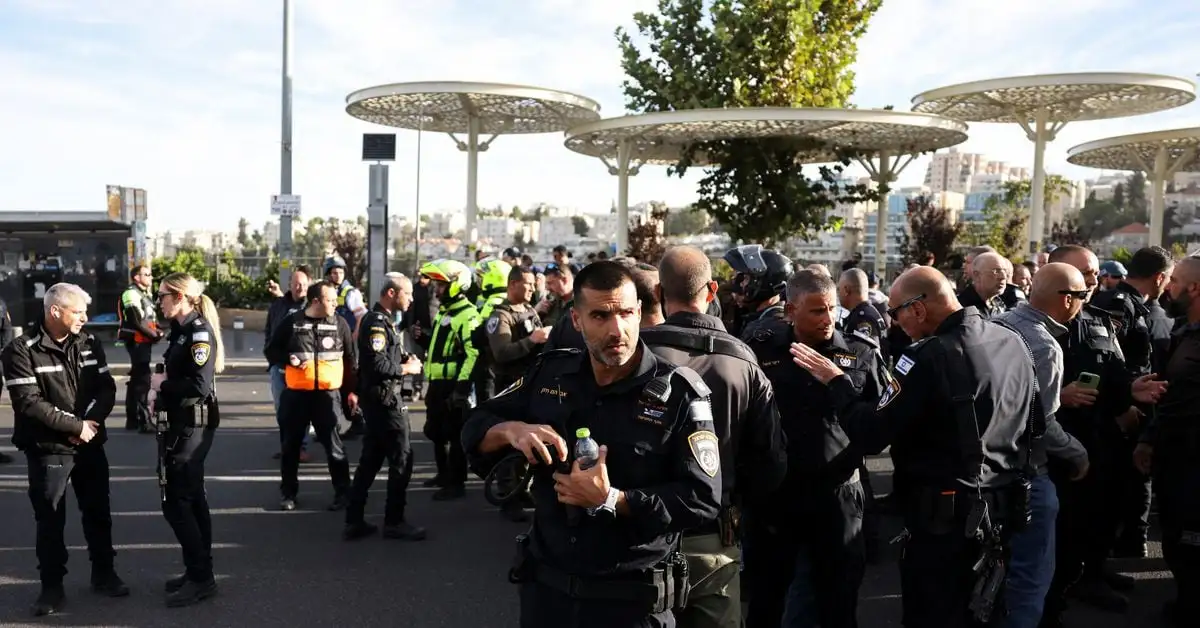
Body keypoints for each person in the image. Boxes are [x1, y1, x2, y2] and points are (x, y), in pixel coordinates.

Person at [462, 261, 721, 628]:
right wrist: (512, 430)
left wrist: (613, 500)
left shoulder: (679, 393)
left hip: (631, 604)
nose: (617, 330)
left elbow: (702, 499)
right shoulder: (550, 373)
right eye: (600, 316)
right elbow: (475, 426)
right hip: (548, 598)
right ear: (576, 320)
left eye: (626, 314)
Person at [789, 267, 1039, 627]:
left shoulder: (926, 357)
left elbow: (872, 434)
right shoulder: (1012, 340)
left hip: (945, 521)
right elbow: (1037, 423)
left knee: (933, 613)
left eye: (895, 313)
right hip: (1005, 508)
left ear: (918, 309)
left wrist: (837, 382)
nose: (893, 322)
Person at [642, 246, 787, 628]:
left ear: (659, 293)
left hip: (642, 533)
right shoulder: (743, 361)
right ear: (712, 290)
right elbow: (771, 461)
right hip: (714, 534)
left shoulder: (636, 356)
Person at [745, 270, 888, 628]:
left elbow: (879, 426)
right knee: (767, 598)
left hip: (836, 496)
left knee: (838, 600)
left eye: (831, 309)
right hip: (779, 496)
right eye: (816, 311)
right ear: (790, 311)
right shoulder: (761, 349)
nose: (826, 319)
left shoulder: (859, 354)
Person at [1042, 245, 1166, 620]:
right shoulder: (1032, 326)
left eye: (1095, 273)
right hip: (1057, 442)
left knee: (1101, 511)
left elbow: (1114, 372)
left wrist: (1131, 389)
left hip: (1102, 435)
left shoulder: (1098, 319)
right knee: (1064, 521)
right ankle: (1062, 586)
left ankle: (1092, 571)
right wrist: (1058, 396)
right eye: (1084, 273)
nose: (1093, 281)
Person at [3, 283, 126, 616]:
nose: (85, 318)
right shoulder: (20, 350)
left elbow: (106, 388)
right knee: (51, 519)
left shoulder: (88, 343)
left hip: (89, 442)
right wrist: (76, 428)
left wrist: (90, 425)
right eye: (78, 311)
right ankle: (52, 587)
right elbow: (29, 403)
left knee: (99, 512)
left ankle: (105, 574)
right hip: (48, 448)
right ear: (55, 311)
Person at [993, 263, 1092, 627]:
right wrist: (1078, 453)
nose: (1085, 301)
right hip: (1027, 475)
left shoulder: (996, 325)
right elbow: (1042, 425)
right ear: (1067, 300)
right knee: (1029, 583)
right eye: (1083, 295)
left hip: (989, 475)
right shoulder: (1044, 345)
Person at [1089, 247, 1175, 557]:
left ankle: (1122, 548)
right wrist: (1121, 407)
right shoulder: (1118, 305)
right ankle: (1102, 560)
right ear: (1159, 277)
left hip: (1139, 406)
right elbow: (1105, 363)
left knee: (1132, 482)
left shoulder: (1143, 307)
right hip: (1119, 412)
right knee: (1112, 488)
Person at [152, 272, 224, 607]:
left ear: (179, 296)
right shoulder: (181, 331)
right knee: (192, 499)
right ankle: (198, 570)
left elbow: (197, 385)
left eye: (163, 295)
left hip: (193, 425)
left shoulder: (198, 332)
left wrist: (162, 386)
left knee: (176, 501)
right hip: (181, 423)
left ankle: (201, 578)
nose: (159, 301)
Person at [1135, 255, 1200, 625]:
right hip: (1173, 460)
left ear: (1193, 287)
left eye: (1174, 281)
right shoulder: (1179, 333)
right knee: (1178, 542)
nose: (1168, 286)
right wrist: (1148, 439)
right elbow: (1166, 394)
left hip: (1196, 465)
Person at [344, 273, 427, 542]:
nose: (411, 298)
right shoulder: (376, 322)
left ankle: (354, 520)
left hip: (379, 400)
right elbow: (375, 364)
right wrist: (407, 368)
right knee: (402, 459)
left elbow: (384, 356)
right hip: (384, 401)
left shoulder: (386, 323)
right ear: (391, 293)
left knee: (370, 460)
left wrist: (403, 356)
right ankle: (394, 521)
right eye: (407, 293)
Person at [266, 280, 358, 512]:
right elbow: (271, 349)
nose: (335, 304)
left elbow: (350, 360)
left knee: (335, 447)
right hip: (296, 396)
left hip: (327, 397)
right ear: (316, 301)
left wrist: (352, 392)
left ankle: (343, 493)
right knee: (291, 448)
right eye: (331, 299)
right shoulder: (293, 322)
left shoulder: (340, 324)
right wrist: (288, 360)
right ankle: (288, 493)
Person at [419, 259, 480, 501]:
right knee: (435, 431)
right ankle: (442, 475)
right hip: (436, 383)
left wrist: (462, 389)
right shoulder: (445, 312)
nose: (437, 289)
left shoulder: (467, 314)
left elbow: (472, 353)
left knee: (454, 435)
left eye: (442, 285)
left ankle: (456, 483)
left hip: (454, 384)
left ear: (457, 284)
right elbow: (440, 347)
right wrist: (423, 339)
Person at [264, 266, 311, 461]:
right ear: (289, 285)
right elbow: (269, 333)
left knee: (301, 410)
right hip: (279, 367)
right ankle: (287, 446)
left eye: (303, 284)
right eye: (296, 284)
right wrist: (273, 359)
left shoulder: (311, 307)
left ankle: (301, 447)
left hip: (302, 368)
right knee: (281, 409)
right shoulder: (278, 306)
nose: (299, 287)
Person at [324, 255, 367, 440]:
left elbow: (361, 316)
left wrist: (353, 337)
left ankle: (358, 422)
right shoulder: (325, 291)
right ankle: (329, 426)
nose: (337, 275)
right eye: (334, 272)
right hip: (330, 347)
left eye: (340, 272)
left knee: (347, 386)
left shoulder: (351, 293)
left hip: (346, 348)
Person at [118, 264, 164, 432]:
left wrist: (157, 330)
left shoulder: (144, 295)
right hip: (137, 341)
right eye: (147, 274)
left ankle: (133, 420)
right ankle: (143, 421)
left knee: (138, 379)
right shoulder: (131, 293)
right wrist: (153, 334)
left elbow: (149, 318)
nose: (151, 277)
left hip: (143, 341)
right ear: (137, 277)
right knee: (142, 380)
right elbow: (135, 320)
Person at [724, 245, 792, 341]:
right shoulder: (760, 318)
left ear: (765, 282)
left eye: (746, 279)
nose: (742, 284)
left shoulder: (766, 329)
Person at [470, 258, 512, 401]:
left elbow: (480, 335)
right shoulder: (503, 298)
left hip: (488, 363)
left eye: (482, 277)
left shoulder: (494, 302)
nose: (479, 281)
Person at [958, 252, 1012, 317]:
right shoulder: (962, 307)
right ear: (977, 275)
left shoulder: (1001, 305)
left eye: (1005, 271)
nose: (1003, 277)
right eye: (996, 271)